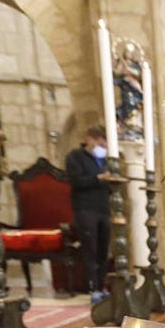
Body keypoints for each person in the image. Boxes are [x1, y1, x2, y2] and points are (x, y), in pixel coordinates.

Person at [65, 125, 113, 303]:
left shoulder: (103, 161)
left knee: (103, 250)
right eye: (100, 142)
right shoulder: (75, 157)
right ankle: (92, 288)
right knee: (90, 249)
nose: (103, 146)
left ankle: (102, 286)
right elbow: (75, 181)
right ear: (89, 139)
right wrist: (98, 178)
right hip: (85, 209)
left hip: (103, 208)